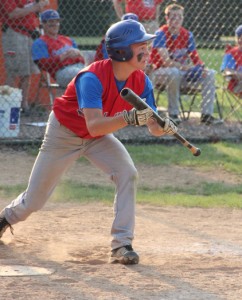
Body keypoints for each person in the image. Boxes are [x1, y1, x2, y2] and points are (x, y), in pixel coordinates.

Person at [0, 19, 177, 265]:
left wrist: (163, 126)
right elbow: (94, 124)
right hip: (64, 133)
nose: (147, 50)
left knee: (127, 172)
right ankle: (6, 218)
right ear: (122, 51)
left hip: (98, 138)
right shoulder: (91, 77)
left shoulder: (142, 81)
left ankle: (121, 244)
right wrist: (128, 118)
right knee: (35, 201)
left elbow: (153, 127)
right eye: (140, 46)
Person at [149, 3, 222, 125]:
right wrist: (186, 67)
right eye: (173, 17)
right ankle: (173, 114)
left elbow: (195, 57)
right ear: (167, 18)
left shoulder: (187, 35)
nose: (176, 20)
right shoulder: (160, 34)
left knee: (209, 74)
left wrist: (202, 68)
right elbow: (166, 62)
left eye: (179, 17)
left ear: (183, 18)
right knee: (174, 72)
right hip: (160, 73)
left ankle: (206, 115)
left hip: (182, 73)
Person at [0, 0, 49, 113]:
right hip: (14, 33)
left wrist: (40, 5)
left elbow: (36, 9)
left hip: (29, 34)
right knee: (13, 71)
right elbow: (12, 13)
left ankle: (23, 106)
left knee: (27, 73)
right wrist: (36, 6)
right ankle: (6, 106)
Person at [32, 9, 85, 88]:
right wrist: (62, 57)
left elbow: (82, 58)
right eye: (51, 23)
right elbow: (42, 64)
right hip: (62, 71)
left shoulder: (68, 39)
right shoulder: (40, 42)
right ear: (43, 24)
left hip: (80, 66)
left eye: (57, 22)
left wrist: (78, 53)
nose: (55, 25)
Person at [220, 25, 242, 97]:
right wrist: (237, 74)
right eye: (239, 37)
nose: (240, 40)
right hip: (237, 85)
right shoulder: (232, 53)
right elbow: (227, 71)